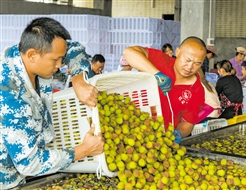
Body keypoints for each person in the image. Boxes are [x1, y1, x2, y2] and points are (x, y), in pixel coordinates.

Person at [0, 17, 104, 189]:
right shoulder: (9, 94)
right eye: (55, 60)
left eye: (61, 59)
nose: (60, 65)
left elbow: (74, 48)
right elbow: (29, 163)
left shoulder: (26, 54)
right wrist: (83, 151)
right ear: (32, 55)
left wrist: (78, 80)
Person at [123, 36, 208, 143]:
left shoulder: (197, 91)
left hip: (162, 141)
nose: (190, 67)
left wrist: (179, 133)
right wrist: (156, 73)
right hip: (133, 129)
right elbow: (129, 52)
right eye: (187, 60)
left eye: (197, 63)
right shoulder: (162, 61)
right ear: (177, 52)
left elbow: (188, 122)